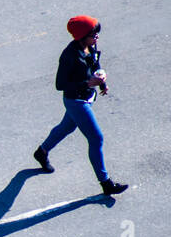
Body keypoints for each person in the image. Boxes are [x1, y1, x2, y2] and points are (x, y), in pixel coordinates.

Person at [34, 16, 128, 196]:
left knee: (66, 128)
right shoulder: (69, 56)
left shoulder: (89, 47)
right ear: (82, 36)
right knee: (96, 138)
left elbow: (95, 64)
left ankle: (42, 151)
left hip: (85, 97)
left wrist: (101, 82)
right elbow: (60, 85)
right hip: (76, 101)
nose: (97, 37)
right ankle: (106, 183)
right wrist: (87, 84)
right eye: (93, 34)